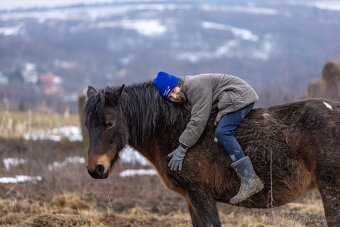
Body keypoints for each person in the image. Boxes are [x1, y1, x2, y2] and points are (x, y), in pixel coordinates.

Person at [152, 71, 264, 204]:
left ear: (178, 83)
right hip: (226, 99)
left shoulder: (195, 87)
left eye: (174, 91)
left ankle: (250, 180)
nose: (174, 96)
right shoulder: (185, 91)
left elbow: (198, 121)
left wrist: (182, 147)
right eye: (170, 96)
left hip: (239, 96)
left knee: (223, 132)